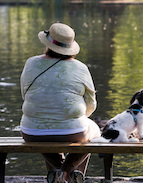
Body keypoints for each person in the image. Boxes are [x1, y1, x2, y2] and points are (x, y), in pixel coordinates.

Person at [20, 23, 101, 183]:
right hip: (73, 131)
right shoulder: (80, 68)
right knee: (95, 131)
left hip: (31, 132)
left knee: (44, 129)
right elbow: (91, 105)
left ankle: (56, 175)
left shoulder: (31, 63)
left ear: (47, 43)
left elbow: (26, 95)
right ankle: (67, 173)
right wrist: (67, 116)